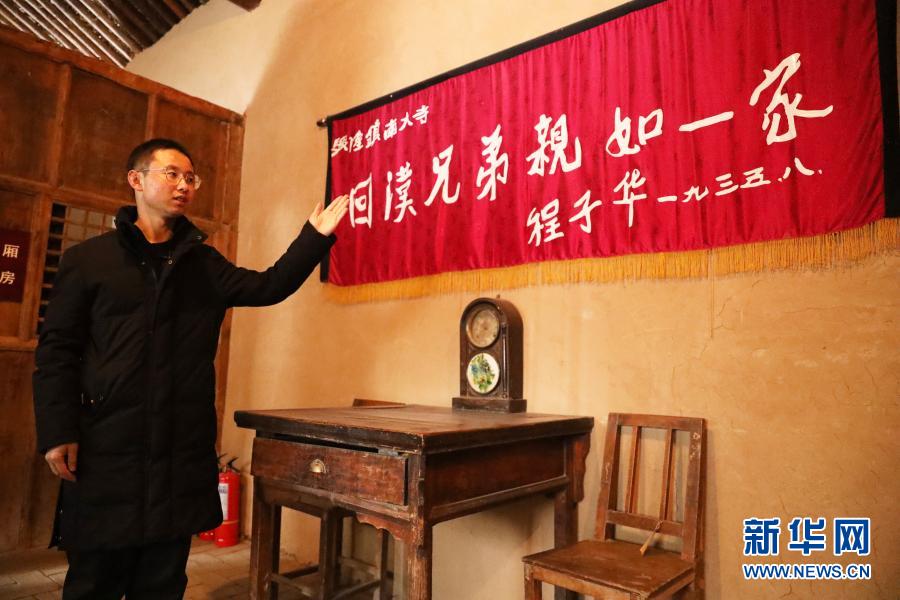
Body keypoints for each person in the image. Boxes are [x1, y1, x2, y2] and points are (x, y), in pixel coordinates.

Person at [32, 138, 349, 599]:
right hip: (107, 446)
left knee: (163, 582)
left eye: (190, 178)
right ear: (136, 180)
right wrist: (58, 430)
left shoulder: (203, 263)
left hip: (178, 450)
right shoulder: (89, 260)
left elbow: (269, 286)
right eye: (172, 174)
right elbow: (58, 350)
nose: (184, 185)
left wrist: (314, 237)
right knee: (93, 582)